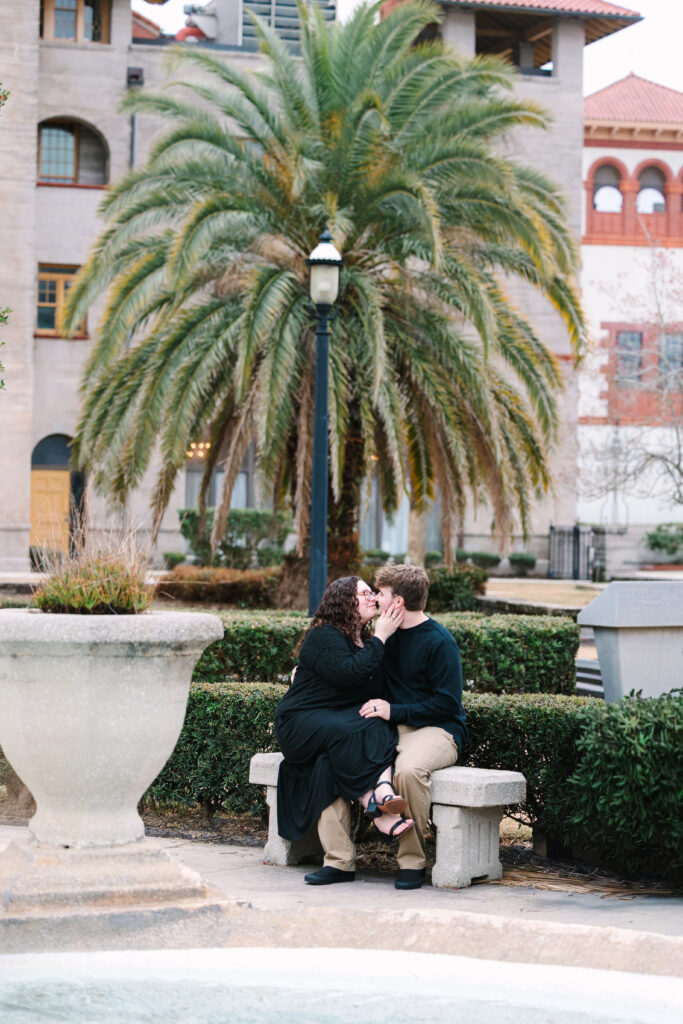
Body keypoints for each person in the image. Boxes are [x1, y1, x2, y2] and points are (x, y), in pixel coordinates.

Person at [316, 564, 467, 890]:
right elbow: (352, 674)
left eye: (380, 593)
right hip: (386, 726)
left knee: (407, 771)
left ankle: (412, 861)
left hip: (435, 730)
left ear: (397, 602)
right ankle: (339, 861)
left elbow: (447, 704)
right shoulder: (381, 637)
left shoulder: (440, 642)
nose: (373, 597)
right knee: (328, 759)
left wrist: (392, 710)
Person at [274, 576, 415, 886]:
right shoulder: (324, 637)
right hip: (300, 723)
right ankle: (377, 806)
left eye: (373, 593)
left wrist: (378, 640)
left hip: (336, 721)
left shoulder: (363, 640)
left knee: (373, 727)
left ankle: (343, 859)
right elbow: (350, 673)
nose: (373, 598)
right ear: (344, 602)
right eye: (365, 593)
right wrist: (381, 637)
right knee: (350, 732)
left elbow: (371, 687)